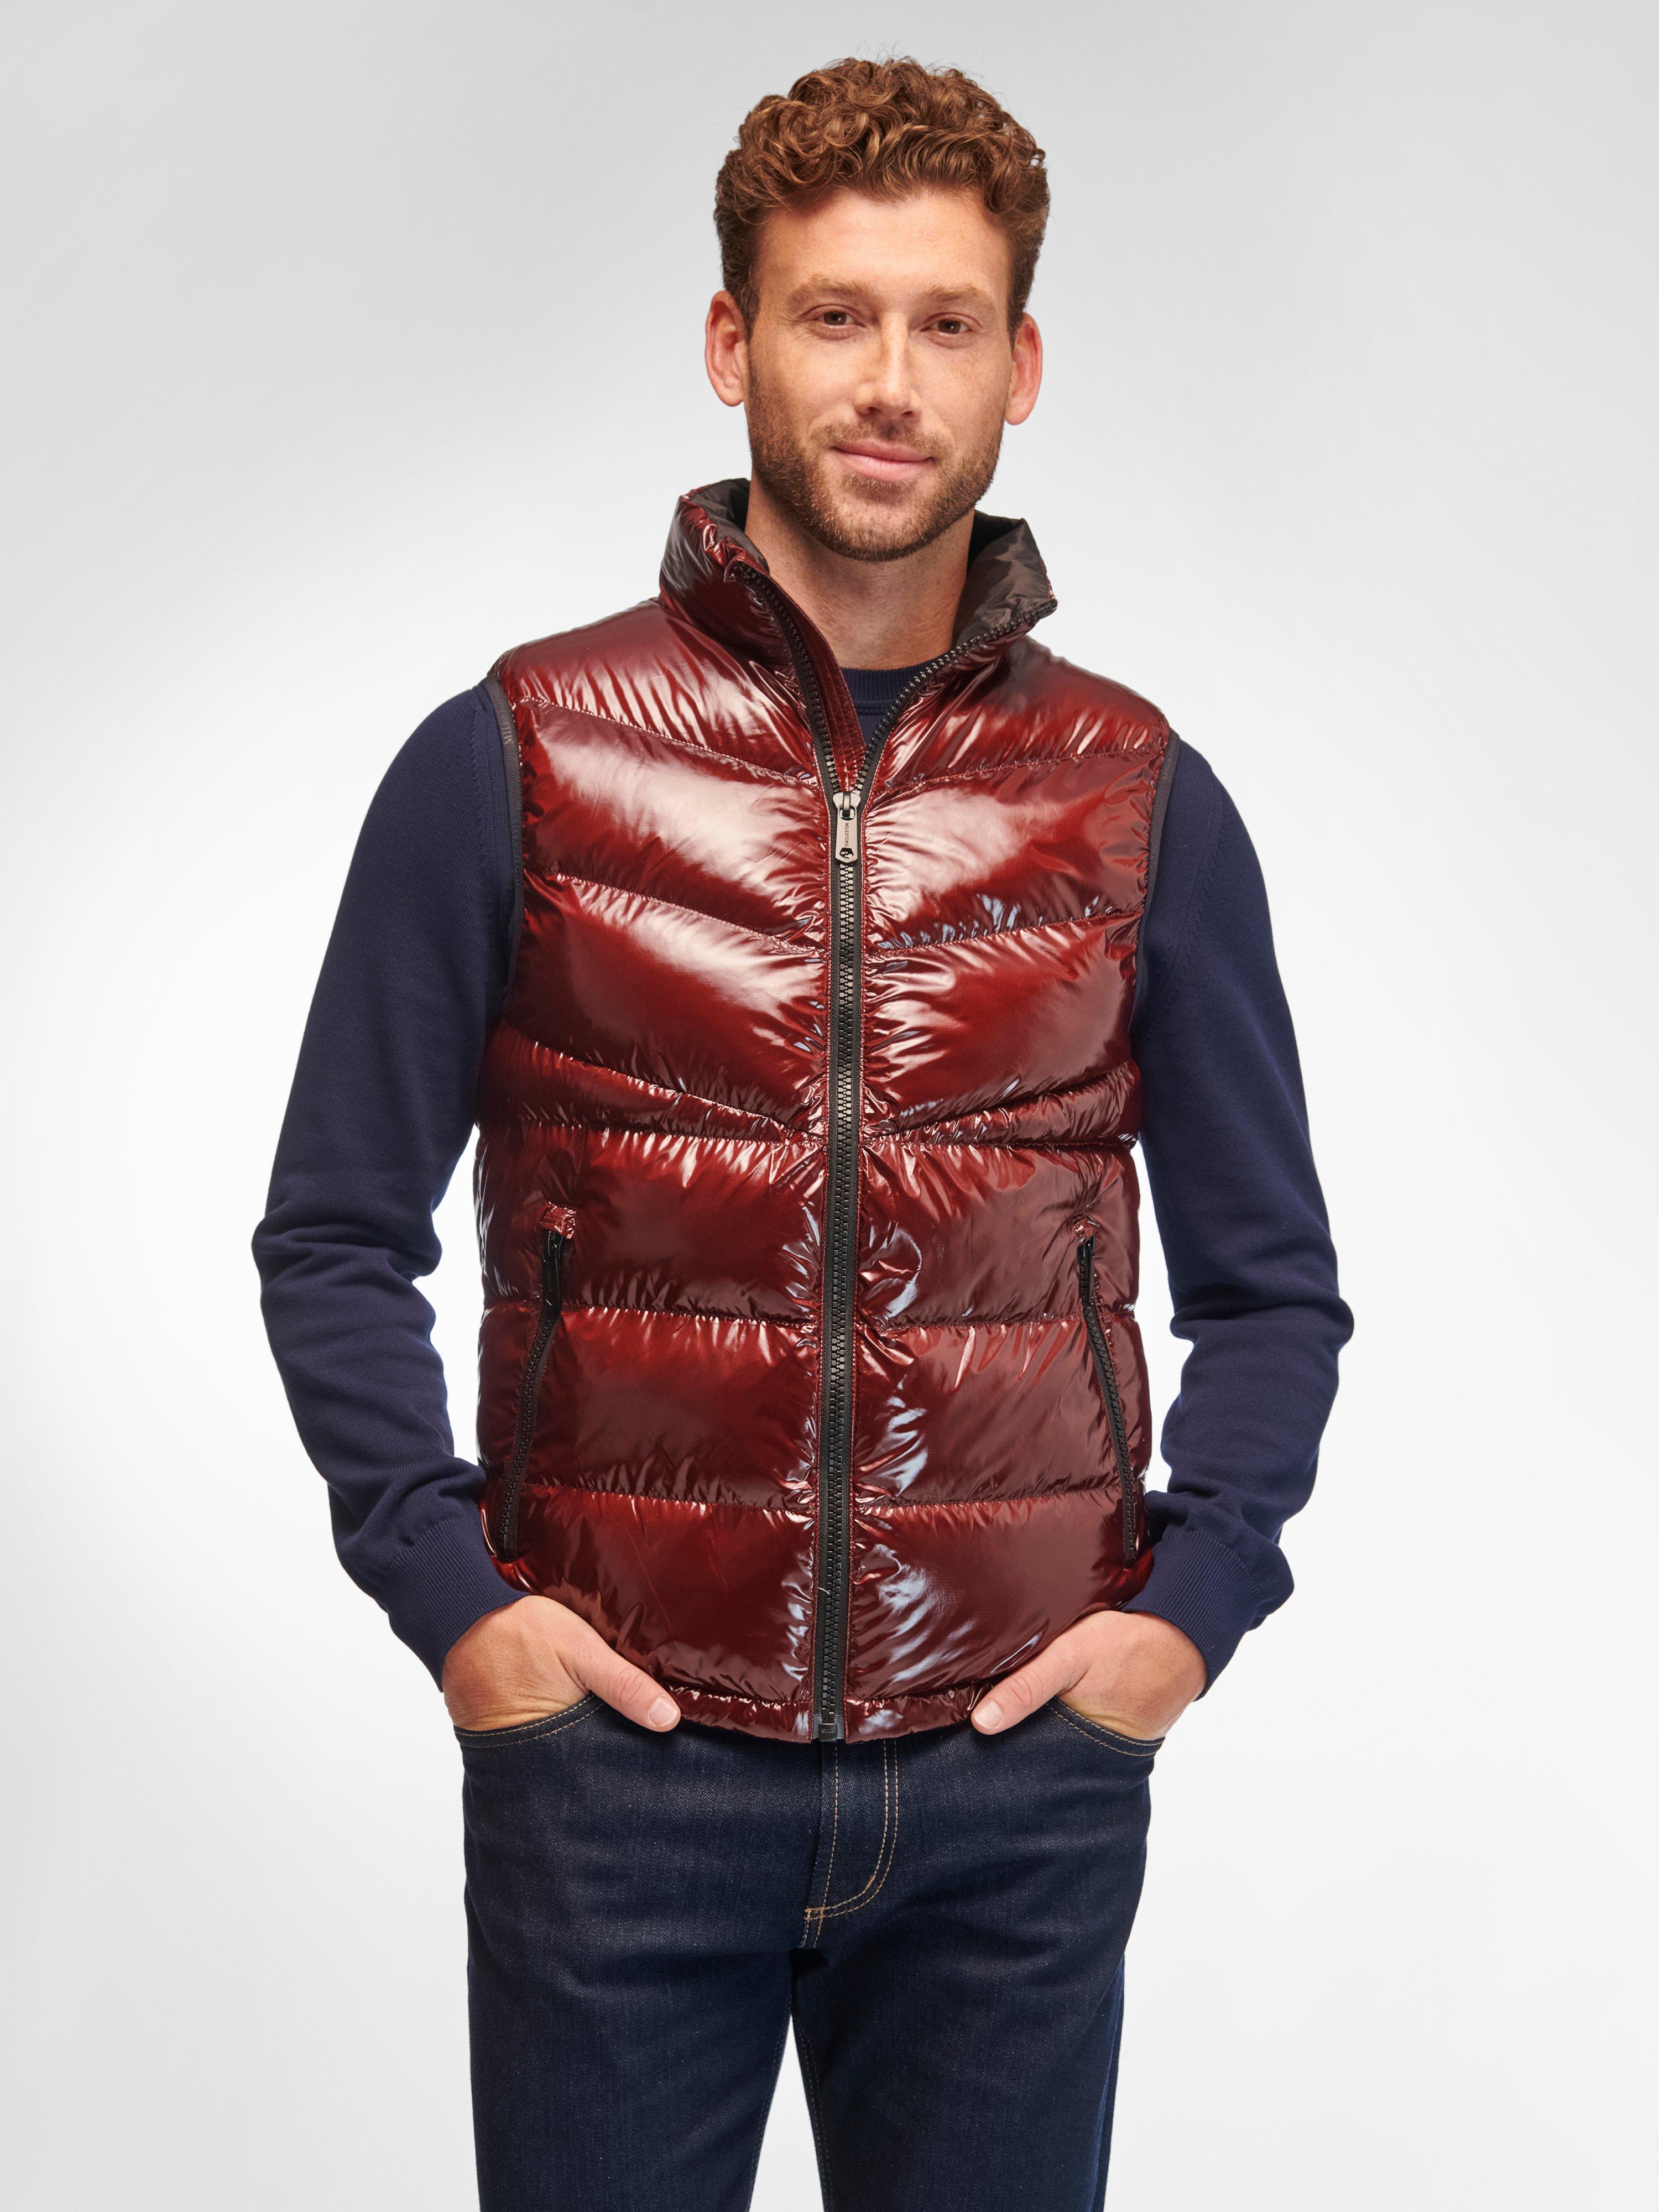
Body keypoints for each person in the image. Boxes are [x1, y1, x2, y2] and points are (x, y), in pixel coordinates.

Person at [253, 54, 1352, 2212]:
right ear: (730, 340)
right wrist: (456, 1602)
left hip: (1017, 1782)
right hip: (619, 1764)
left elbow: (1273, 1283)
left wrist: (1190, 1608)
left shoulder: (1133, 795)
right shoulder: (521, 756)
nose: (889, 382)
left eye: (948, 323)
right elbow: (333, 1232)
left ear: (1021, 368)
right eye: (834, 315)